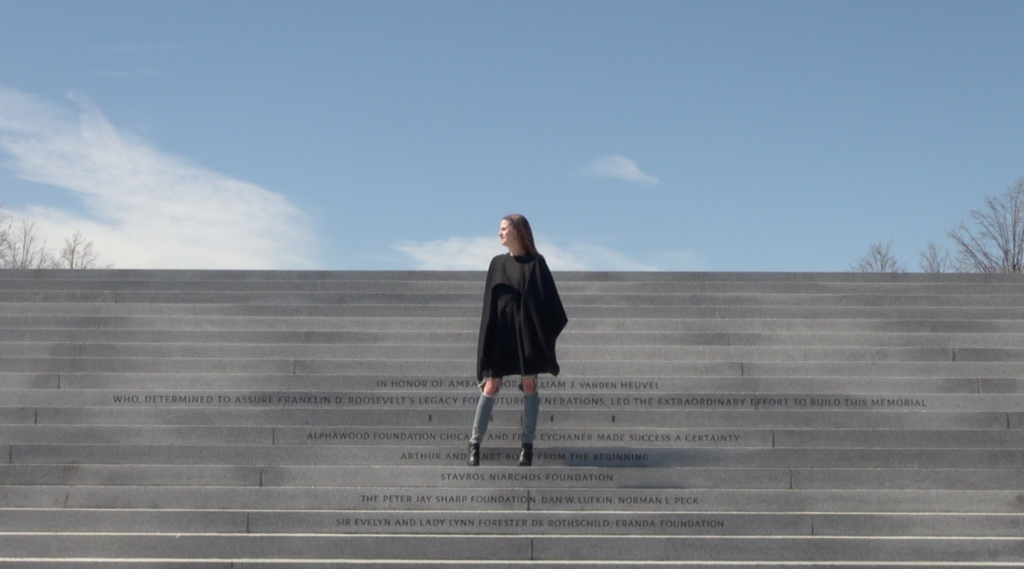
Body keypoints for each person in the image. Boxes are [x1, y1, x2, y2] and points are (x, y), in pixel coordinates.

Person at [468, 214, 568, 467]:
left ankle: (527, 447)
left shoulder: (536, 263)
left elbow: (552, 306)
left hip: (524, 334)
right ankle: (474, 444)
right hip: (500, 332)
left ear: (517, 231)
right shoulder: (496, 263)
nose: (499, 233)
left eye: (503, 229)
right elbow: (488, 305)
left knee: (529, 384)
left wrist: (537, 334)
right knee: (490, 386)